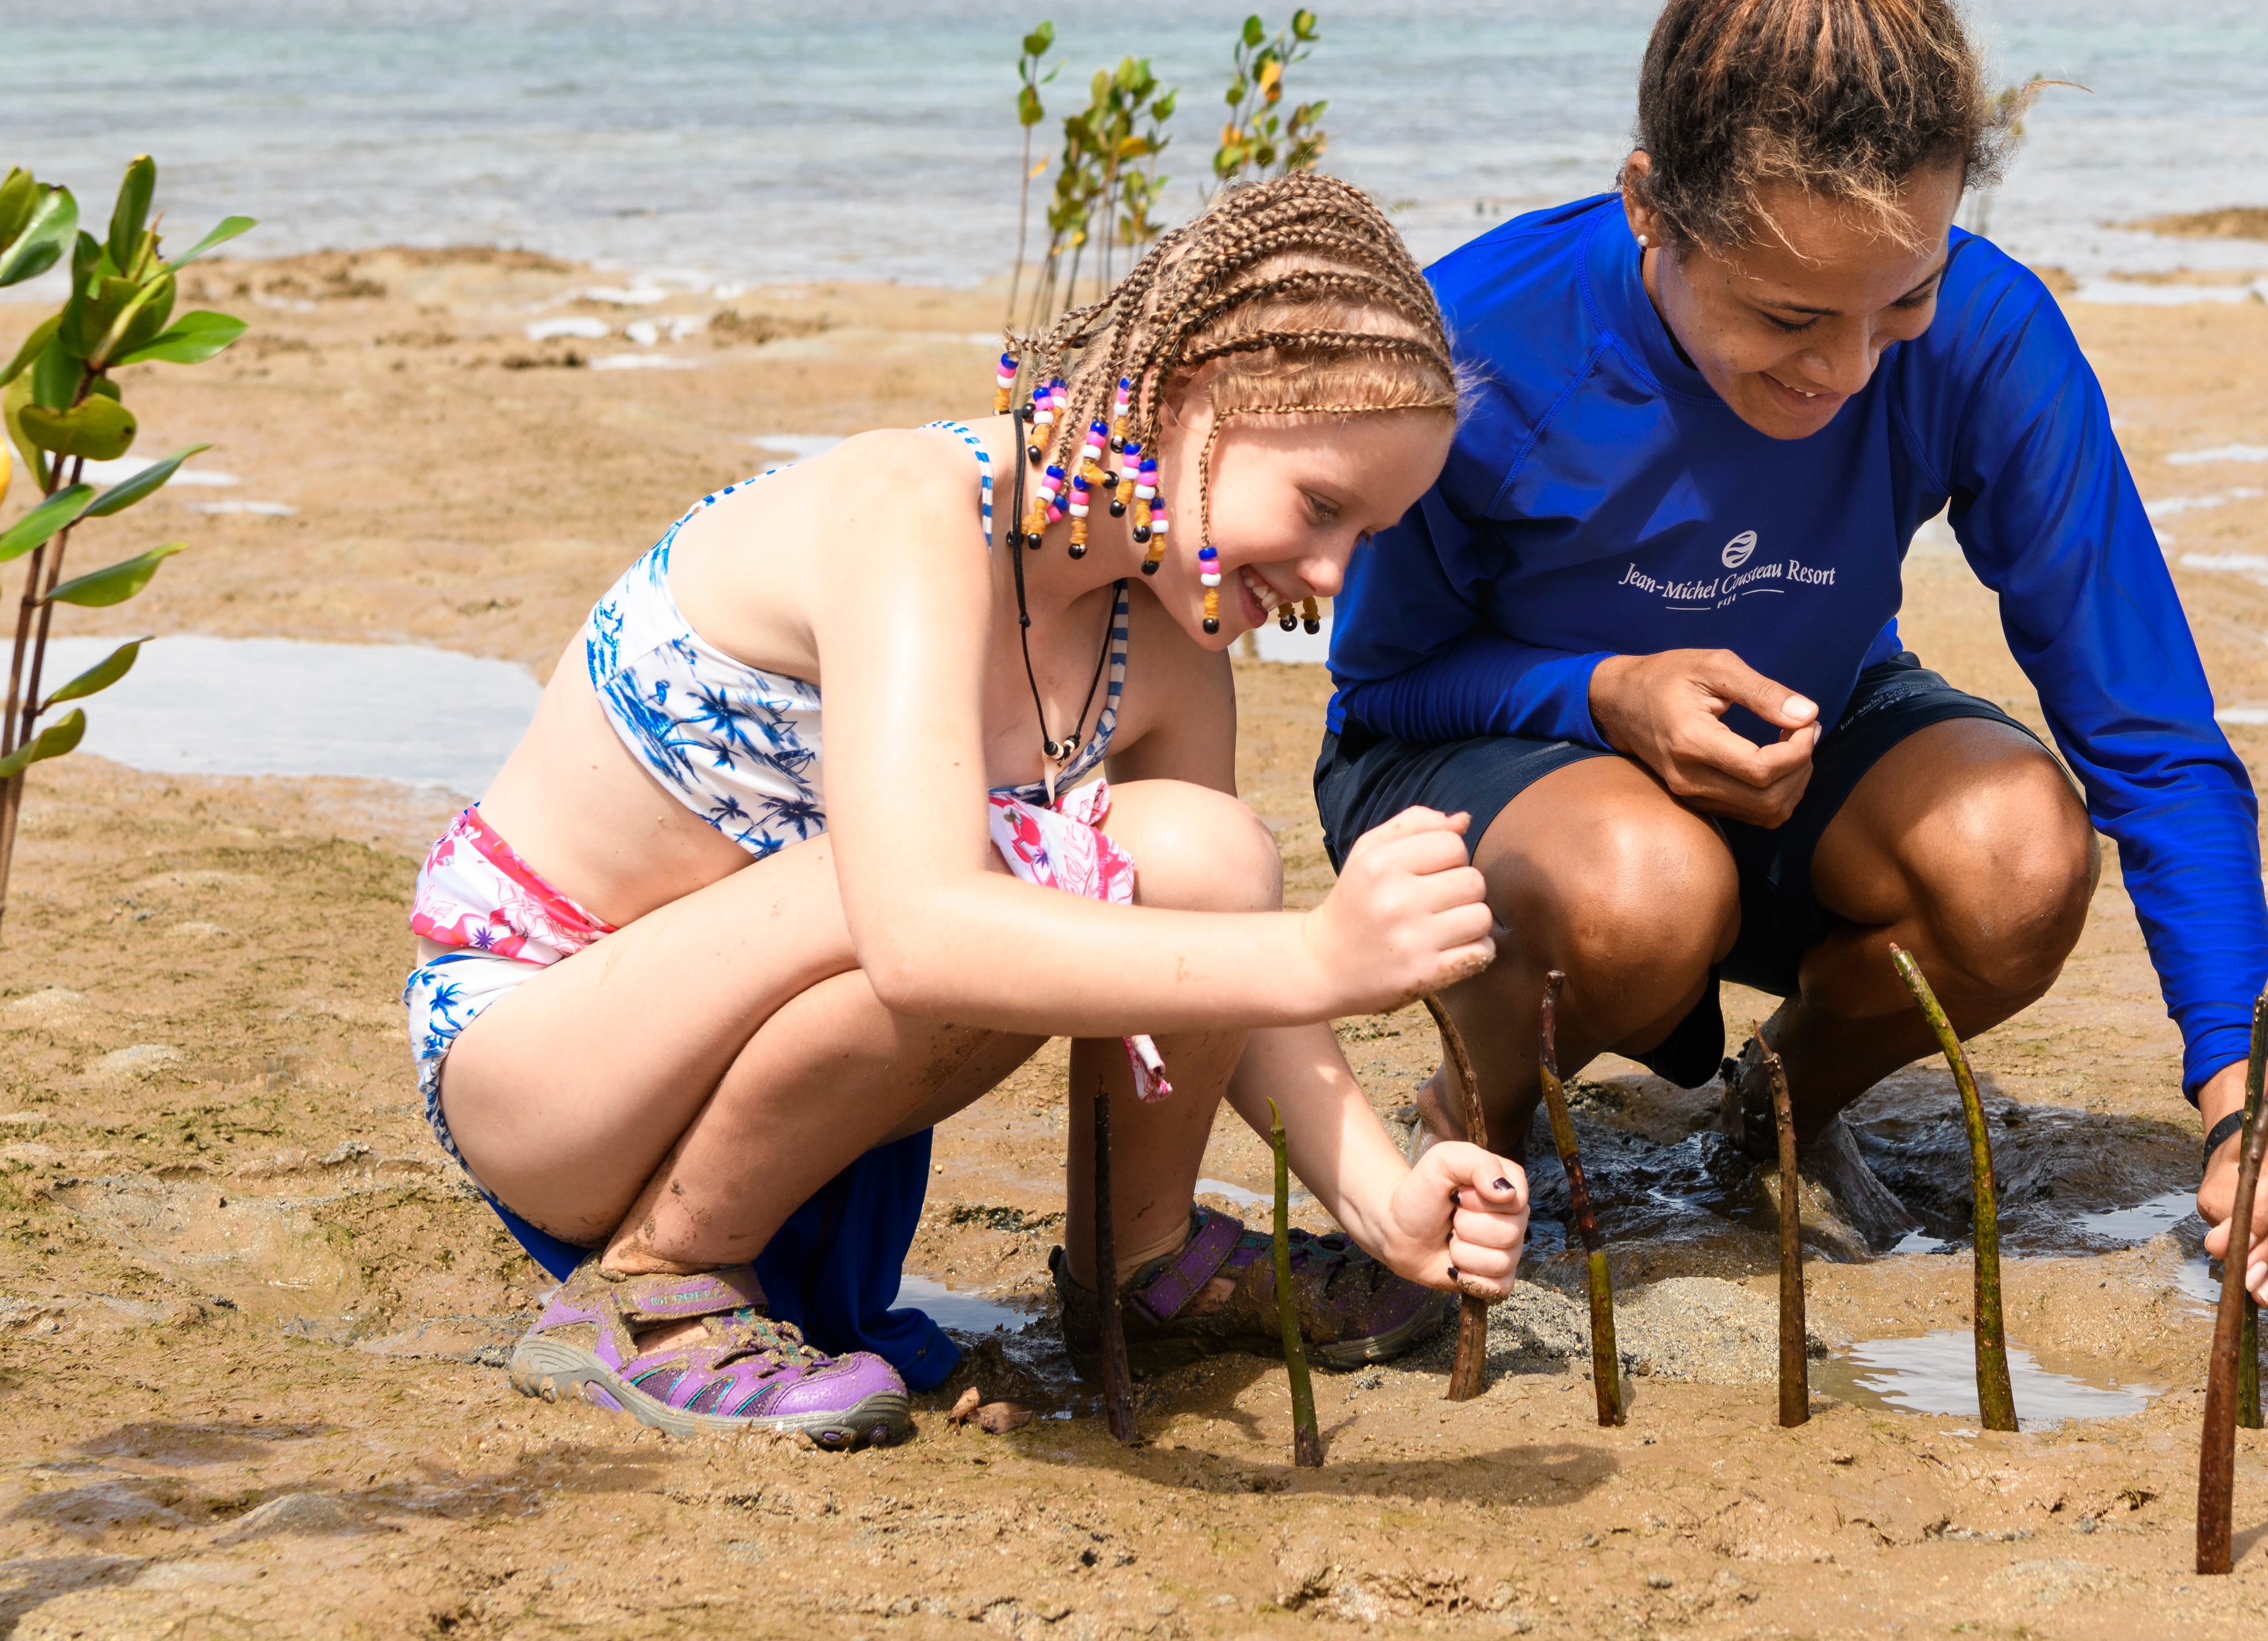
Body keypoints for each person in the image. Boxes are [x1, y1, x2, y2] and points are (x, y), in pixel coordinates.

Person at [1317, 0, 2268, 1304]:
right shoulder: (1482, 344)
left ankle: (1773, 1112)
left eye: (1903, 299)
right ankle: (1470, 1130)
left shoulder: (1990, 337)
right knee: (1639, 884)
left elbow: (2153, 732)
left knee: (2019, 854)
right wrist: (1604, 692)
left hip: (1805, 734)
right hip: (1494, 749)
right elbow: (1379, 692)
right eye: (1790, 315)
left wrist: (2243, 1090)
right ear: (1649, 207)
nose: (1852, 369)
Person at [405, 174, 1528, 1448]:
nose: (1330, 574)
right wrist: (1328, 951)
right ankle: (655, 1290)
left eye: (1368, 536)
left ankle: (1145, 1261)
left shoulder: (1161, 641)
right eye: (1321, 506)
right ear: (1192, 393)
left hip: (789, 1087)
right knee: (969, 875)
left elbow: (1215, 961)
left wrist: (1387, 1200)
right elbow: (918, 932)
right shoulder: (911, 512)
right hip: (552, 1064)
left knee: (1208, 851)